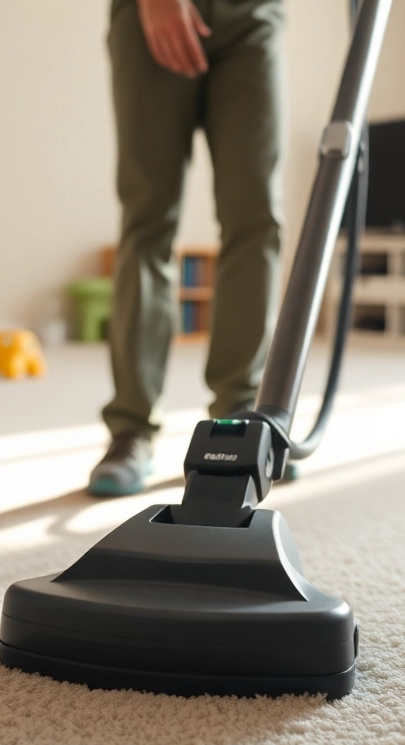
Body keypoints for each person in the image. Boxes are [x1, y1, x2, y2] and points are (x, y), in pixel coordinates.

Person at [90, 0, 285, 496]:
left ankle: (240, 416)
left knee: (256, 217)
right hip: (151, 14)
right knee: (147, 219)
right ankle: (131, 427)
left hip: (252, 15)